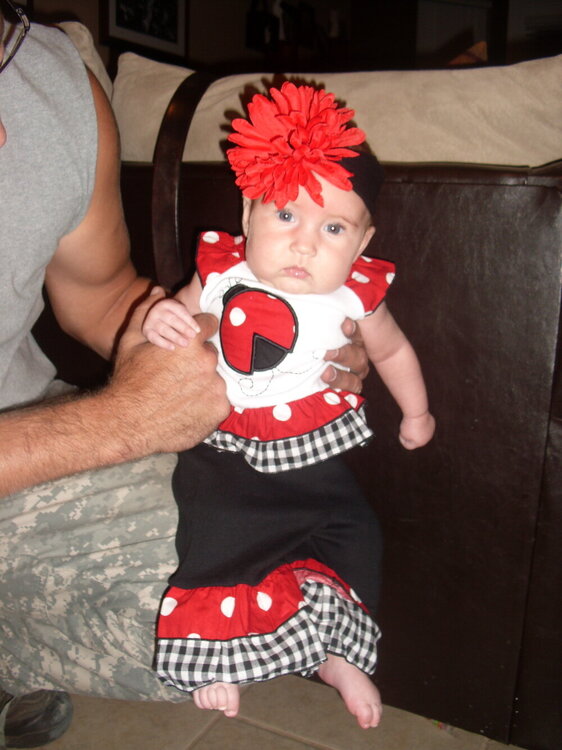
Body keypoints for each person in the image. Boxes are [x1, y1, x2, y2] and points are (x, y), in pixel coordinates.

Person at [0, 8, 367, 747]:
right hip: (53, 439)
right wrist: (116, 422)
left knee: (257, 558)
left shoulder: (51, 76)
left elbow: (102, 295)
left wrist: (249, 358)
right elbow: (114, 420)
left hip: (27, 426)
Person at [143, 82, 435, 729]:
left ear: (361, 244)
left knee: (354, 532)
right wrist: (164, 315)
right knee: (216, 543)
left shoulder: (356, 295)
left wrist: (416, 411)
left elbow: (393, 353)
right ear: (248, 212)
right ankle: (220, 658)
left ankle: (333, 651)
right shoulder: (222, 271)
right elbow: (177, 314)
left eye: (332, 227)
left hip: (314, 459)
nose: (305, 244)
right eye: (285, 216)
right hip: (223, 453)